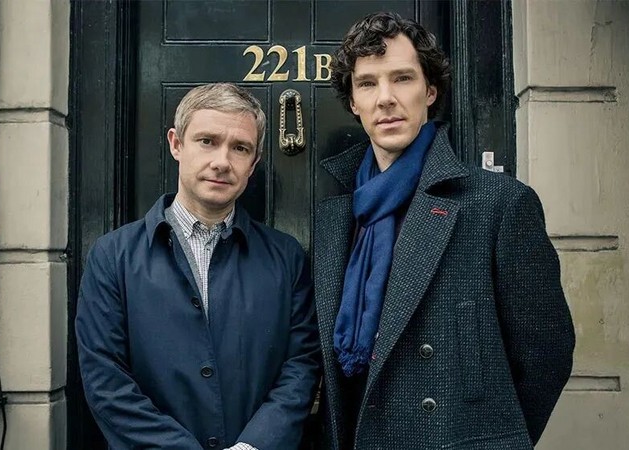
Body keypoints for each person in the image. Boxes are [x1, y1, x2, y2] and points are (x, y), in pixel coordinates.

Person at [313, 12, 575, 449]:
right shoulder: (335, 216)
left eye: (402, 79)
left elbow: (546, 353)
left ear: (430, 91)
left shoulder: (499, 204)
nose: (386, 99)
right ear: (354, 102)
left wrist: (492, 440)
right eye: (368, 84)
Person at [76, 83, 320, 450]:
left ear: (253, 164)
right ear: (176, 144)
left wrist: (253, 446)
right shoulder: (112, 256)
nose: (222, 161)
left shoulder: (286, 257)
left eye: (240, 148)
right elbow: (105, 379)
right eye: (207, 141)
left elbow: (301, 365)